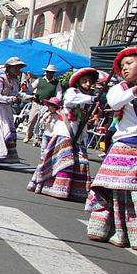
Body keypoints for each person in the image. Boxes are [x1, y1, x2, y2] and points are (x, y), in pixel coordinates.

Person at [86, 48, 137, 254]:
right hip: (124, 147)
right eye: (122, 66)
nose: (125, 68)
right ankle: (117, 231)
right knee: (118, 195)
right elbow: (114, 102)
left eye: (129, 63)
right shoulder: (118, 89)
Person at [27, 67, 98, 201]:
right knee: (62, 159)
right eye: (85, 81)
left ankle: (73, 189)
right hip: (65, 130)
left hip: (79, 133)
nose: (88, 84)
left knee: (80, 161)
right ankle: (54, 187)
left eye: (90, 82)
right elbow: (72, 100)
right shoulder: (73, 92)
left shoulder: (87, 95)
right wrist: (92, 99)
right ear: (78, 81)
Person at [24, 64, 62, 144]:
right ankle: (28, 135)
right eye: (48, 72)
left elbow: (59, 94)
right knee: (31, 120)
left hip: (47, 105)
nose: (49, 73)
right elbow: (31, 88)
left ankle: (38, 138)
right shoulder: (40, 80)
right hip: (37, 103)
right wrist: (28, 81)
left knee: (42, 122)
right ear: (46, 72)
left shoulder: (56, 83)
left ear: (53, 73)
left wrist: (55, 103)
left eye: (51, 72)